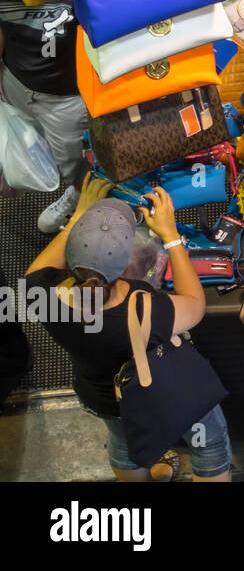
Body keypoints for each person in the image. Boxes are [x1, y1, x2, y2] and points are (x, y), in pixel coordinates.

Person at [24, 175, 233, 481]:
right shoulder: (143, 308)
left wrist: (79, 217)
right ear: (125, 265)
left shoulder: (41, 293)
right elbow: (195, 305)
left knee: (124, 444)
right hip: (164, 392)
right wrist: (172, 236)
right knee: (209, 445)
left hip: (103, 398)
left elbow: (37, 270)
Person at [0, 0, 92, 233]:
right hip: (15, 79)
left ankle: (77, 197)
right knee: (23, 138)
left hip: (66, 99)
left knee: (75, 167)